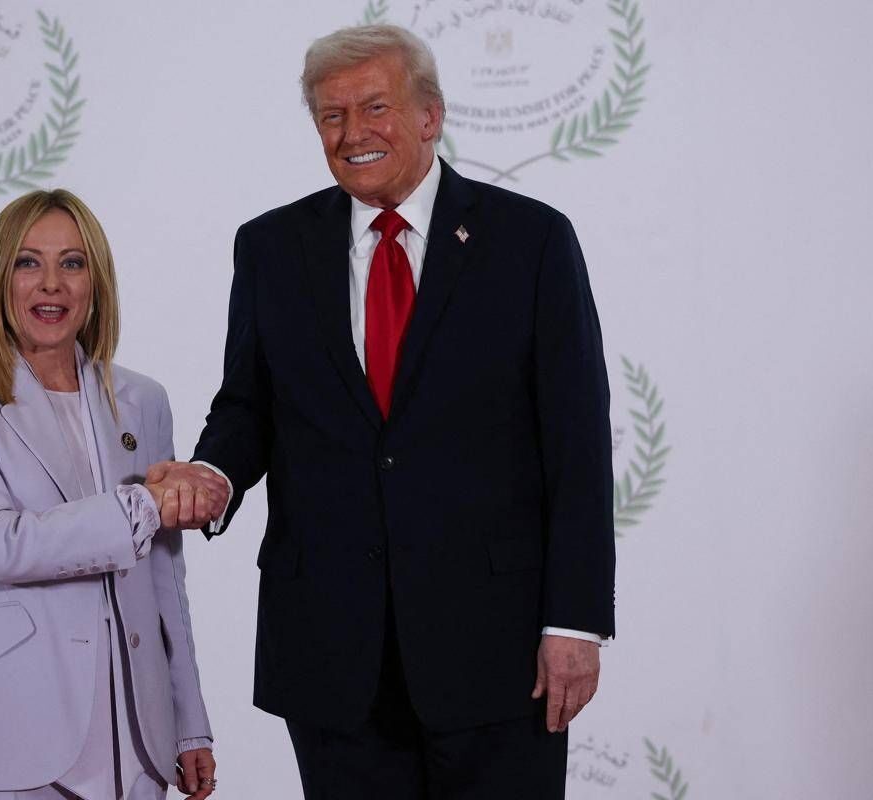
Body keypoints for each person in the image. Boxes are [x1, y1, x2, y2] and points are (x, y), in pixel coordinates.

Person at [151, 24, 616, 799]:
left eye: (375, 107)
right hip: (333, 650)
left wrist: (574, 621)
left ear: (430, 115)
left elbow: (577, 443)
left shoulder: (530, 242)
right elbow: (247, 406)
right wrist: (213, 474)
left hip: (497, 649)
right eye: (331, 116)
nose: (352, 133)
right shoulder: (271, 247)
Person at [0, 190, 227, 800]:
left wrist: (188, 723)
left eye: (72, 263)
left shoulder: (143, 399)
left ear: (96, 282)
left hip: (136, 740)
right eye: (28, 262)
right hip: (1, 734)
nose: (51, 283)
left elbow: (164, 577)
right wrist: (145, 505)